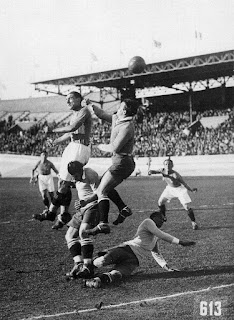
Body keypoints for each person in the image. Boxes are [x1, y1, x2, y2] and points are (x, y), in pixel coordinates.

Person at [84, 211, 195, 288]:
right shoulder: (148, 222)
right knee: (100, 261)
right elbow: (161, 234)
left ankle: (97, 280)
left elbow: (156, 252)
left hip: (135, 261)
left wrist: (167, 268)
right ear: (154, 218)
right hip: (127, 250)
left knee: (116, 274)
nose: (163, 222)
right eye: (161, 219)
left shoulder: (155, 236)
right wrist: (180, 242)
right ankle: (82, 270)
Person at [63, 161, 133, 280]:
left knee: (83, 232)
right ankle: (79, 264)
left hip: (92, 207)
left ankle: (88, 267)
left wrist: (85, 201)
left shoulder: (90, 174)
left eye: (76, 175)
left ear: (81, 170)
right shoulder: (75, 177)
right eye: (73, 176)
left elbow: (100, 193)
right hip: (82, 209)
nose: (75, 178)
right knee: (69, 235)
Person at [34, 91, 92, 222]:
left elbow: (72, 127)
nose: (67, 102)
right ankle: (64, 214)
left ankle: (51, 213)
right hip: (73, 146)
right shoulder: (75, 114)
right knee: (62, 181)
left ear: (78, 99)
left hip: (80, 147)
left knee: (65, 183)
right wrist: (55, 141)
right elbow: (70, 134)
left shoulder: (84, 111)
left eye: (70, 99)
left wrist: (52, 130)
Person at [89, 98, 139, 235]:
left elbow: (114, 147)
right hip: (121, 162)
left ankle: (103, 223)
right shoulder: (117, 118)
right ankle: (123, 208)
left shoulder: (127, 126)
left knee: (101, 192)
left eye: (120, 105)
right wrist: (89, 104)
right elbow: (101, 114)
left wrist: (99, 146)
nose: (118, 106)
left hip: (122, 163)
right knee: (103, 185)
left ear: (124, 110)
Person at [148, 157, 198, 230]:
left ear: (172, 166)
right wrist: (151, 172)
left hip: (179, 189)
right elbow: (154, 171)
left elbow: (184, 183)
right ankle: (163, 216)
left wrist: (191, 190)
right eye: (166, 164)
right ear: (164, 165)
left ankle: (193, 222)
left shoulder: (175, 175)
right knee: (160, 202)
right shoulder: (162, 170)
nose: (167, 165)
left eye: (169, 164)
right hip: (170, 189)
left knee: (186, 206)